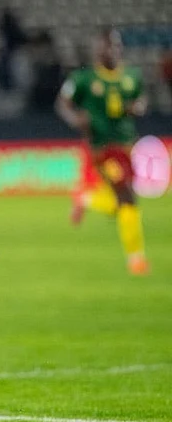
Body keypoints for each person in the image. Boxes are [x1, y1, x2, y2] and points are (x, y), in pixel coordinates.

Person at [56, 28, 149, 276]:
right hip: (102, 148)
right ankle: (136, 259)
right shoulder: (84, 79)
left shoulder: (131, 76)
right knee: (127, 196)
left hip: (126, 145)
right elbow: (62, 103)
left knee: (121, 202)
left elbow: (142, 99)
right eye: (108, 46)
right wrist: (76, 119)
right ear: (99, 49)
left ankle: (86, 199)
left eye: (117, 46)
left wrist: (138, 107)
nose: (113, 51)